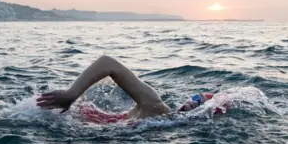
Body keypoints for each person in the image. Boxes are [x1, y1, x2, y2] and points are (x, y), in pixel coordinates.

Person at [36, 55, 225, 124]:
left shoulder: (156, 111)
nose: (190, 102)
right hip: (61, 119)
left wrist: (71, 95)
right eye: (194, 98)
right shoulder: (155, 108)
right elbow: (107, 63)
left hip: (62, 127)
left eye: (197, 102)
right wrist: (71, 95)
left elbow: (107, 63)